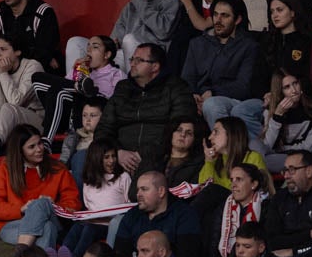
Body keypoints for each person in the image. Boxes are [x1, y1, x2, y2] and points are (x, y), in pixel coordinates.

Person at [95, 42, 195, 177]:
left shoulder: (176, 87)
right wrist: (118, 152)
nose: (132, 64)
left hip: (157, 156)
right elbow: (104, 127)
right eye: (132, 59)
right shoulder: (123, 88)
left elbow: (179, 128)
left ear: (155, 66)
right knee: (83, 157)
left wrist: (142, 154)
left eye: (139, 60)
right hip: (120, 156)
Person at [181, 0, 264, 140]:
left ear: (237, 20)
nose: (218, 20)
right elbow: (187, 79)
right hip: (202, 98)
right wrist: (194, 95)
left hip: (234, 100)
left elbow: (243, 87)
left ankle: (227, 148)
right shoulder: (197, 44)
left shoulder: (249, 46)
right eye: (215, 14)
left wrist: (212, 92)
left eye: (225, 16)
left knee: (212, 105)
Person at [0, 125, 80, 250]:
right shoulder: (6, 169)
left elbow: (73, 204)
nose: (39, 149)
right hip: (13, 224)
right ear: (20, 151)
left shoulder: (58, 168)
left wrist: (53, 206)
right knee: (47, 228)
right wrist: (21, 209)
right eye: (32, 147)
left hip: (54, 220)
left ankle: (20, 253)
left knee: (42, 203)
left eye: (40, 143)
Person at [34, 35, 125, 153]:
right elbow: (60, 87)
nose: (89, 50)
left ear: (107, 54)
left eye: (95, 47)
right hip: (68, 111)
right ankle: (79, 86)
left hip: (89, 113)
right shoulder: (82, 70)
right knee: (36, 78)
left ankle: (46, 140)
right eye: (88, 46)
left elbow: (116, 104)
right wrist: (76, 72)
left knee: (59, 91)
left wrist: (95, 94)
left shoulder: (116, 74)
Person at [111, 170, 202, 257]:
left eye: (144, 189)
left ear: (161, 191)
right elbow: (120, 256)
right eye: (138, 190)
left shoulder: (185, 215)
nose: (138, 194)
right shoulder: (132, 215)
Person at [62, 140, 133, 257]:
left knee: (90, 229)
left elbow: (129, 205)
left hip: (109, 226)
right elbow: (89, 206)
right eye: (106, 157)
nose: (111, 161)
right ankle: (63, 253)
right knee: (77, 227)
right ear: (96, 159)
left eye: (113, 156)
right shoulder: (88, 182)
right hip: (92, 222)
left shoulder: (123, 177)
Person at [258, 68, 312, 172]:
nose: (294, 90)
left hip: (302, 158)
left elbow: (308, 148)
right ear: (280, 92)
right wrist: (277, 117)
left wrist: (282, 150)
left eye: (295, 83)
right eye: (287, 87)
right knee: (257, 152)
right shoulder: (270, 112)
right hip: (277, 158)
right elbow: (268, 146)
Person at [207, 162, 269, 257]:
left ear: (254, 184)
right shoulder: (222, 208)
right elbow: (214, 244)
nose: (233, 185)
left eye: (239, 179)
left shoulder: (267, 208)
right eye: (232, 180)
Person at [198, 116, 269, 203]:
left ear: (231, 134)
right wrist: (209, 162)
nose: (210, 137)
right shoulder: (214, 160)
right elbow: (203, 190)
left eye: (216, 132)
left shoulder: (253, 157)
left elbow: (260, 193)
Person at [254, 0, 312, 98]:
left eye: (279, 10)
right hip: (268, 98)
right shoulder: (267, 41)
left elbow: (310, 76)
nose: (275, 15)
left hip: (298, 97)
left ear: (292, 12)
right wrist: (264, 95)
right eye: (272, 11)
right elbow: (257, 76)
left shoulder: (307, 40)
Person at [159, 115, 204, 194]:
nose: (183, 135)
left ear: (194, 139)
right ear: (171, 133)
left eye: (189, 133)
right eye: (179, 130)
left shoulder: (197, 165)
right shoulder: (157, 158)